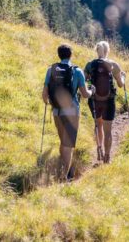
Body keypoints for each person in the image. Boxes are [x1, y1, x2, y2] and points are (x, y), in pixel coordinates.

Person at [42, 44, 94, 180]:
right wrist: (92, 90)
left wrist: (52, 102)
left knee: (63, 142)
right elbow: (84, 94)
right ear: (71, 55)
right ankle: (63, 177)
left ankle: (64, 170)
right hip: (71, 112)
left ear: (59, 55)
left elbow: (44, 95)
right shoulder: (77, 71)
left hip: (56, 112)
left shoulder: (50, 70)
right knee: (68, 144)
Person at [84, 40, 126, 164]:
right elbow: (120, 84)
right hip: (109, 100)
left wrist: (91, 84)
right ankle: (107, 157)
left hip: (94, 100)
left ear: (97, 50)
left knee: (98, 125)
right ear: (107, 51)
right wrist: (123, 76)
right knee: (108, 129)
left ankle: (99, 148)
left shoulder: (90, 65)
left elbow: (84, 81)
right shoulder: (113, 65)